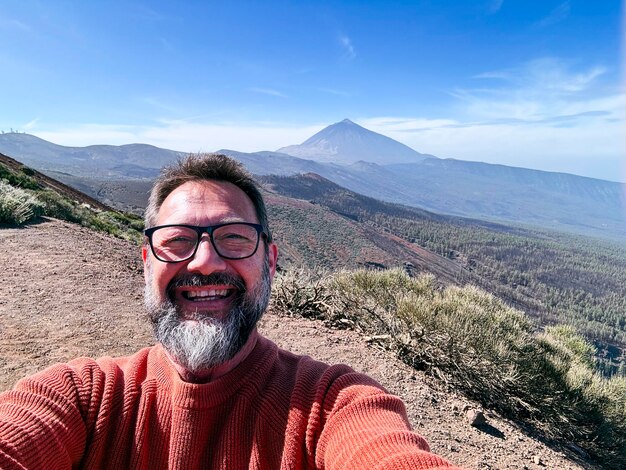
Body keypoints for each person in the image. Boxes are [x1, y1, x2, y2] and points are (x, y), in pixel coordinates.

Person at [0, 153, 462, 469]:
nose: (204, 262)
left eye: (235, 237)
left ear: (271, 261)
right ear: (146, 263)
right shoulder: (83, 398)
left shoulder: (335, 404)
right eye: (177, 241)